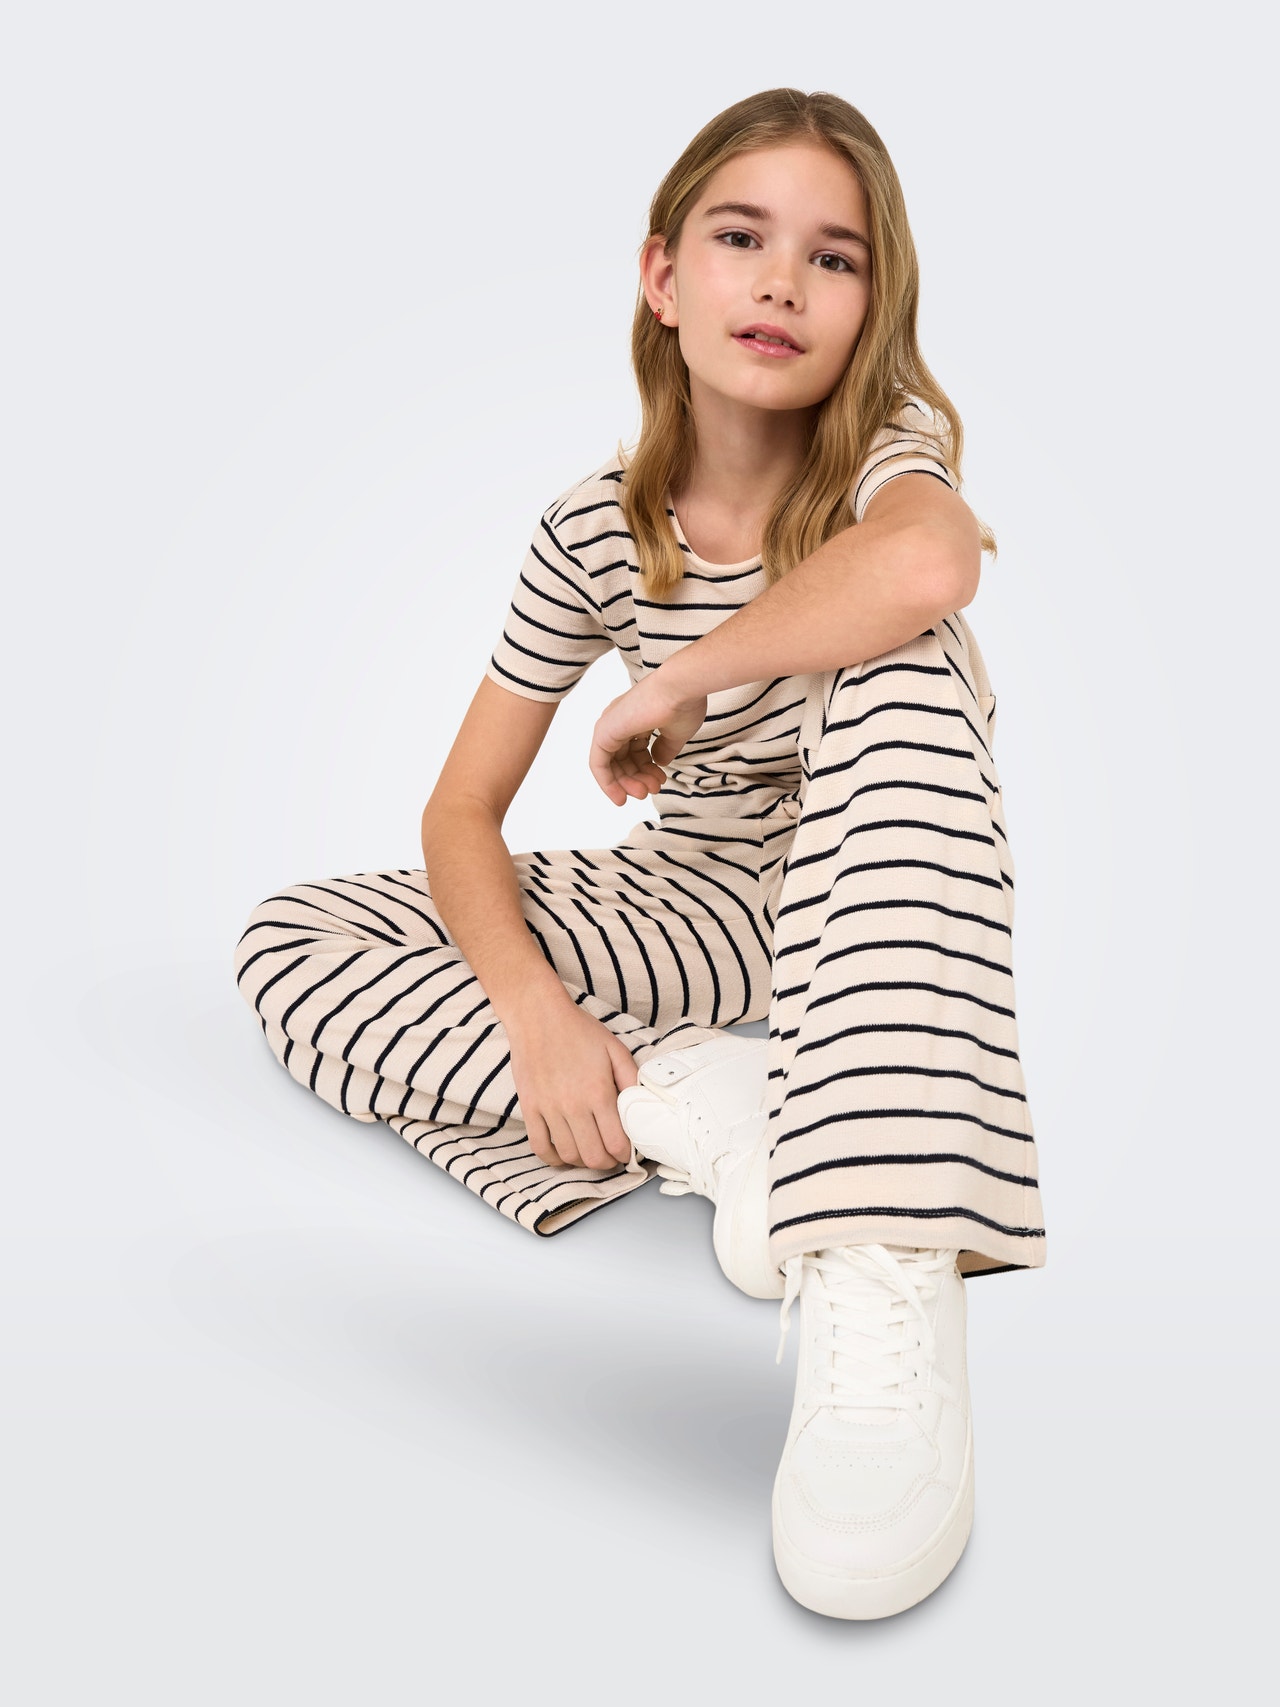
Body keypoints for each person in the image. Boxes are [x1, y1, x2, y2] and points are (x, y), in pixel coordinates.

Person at [233, 86, 1047, 1621]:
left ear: (871, 308)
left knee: (911, 644)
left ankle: (881, 1234)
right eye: (741, 238)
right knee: (289, 942)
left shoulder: (886, 466)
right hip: (693, 909)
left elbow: (936, 560)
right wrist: (536, 1013)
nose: (783, 280)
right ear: (664, 276)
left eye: (834, 257)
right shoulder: (595, 530)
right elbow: (458, 812)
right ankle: (703, 1109)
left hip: (868, 887)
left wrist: (681, 676)